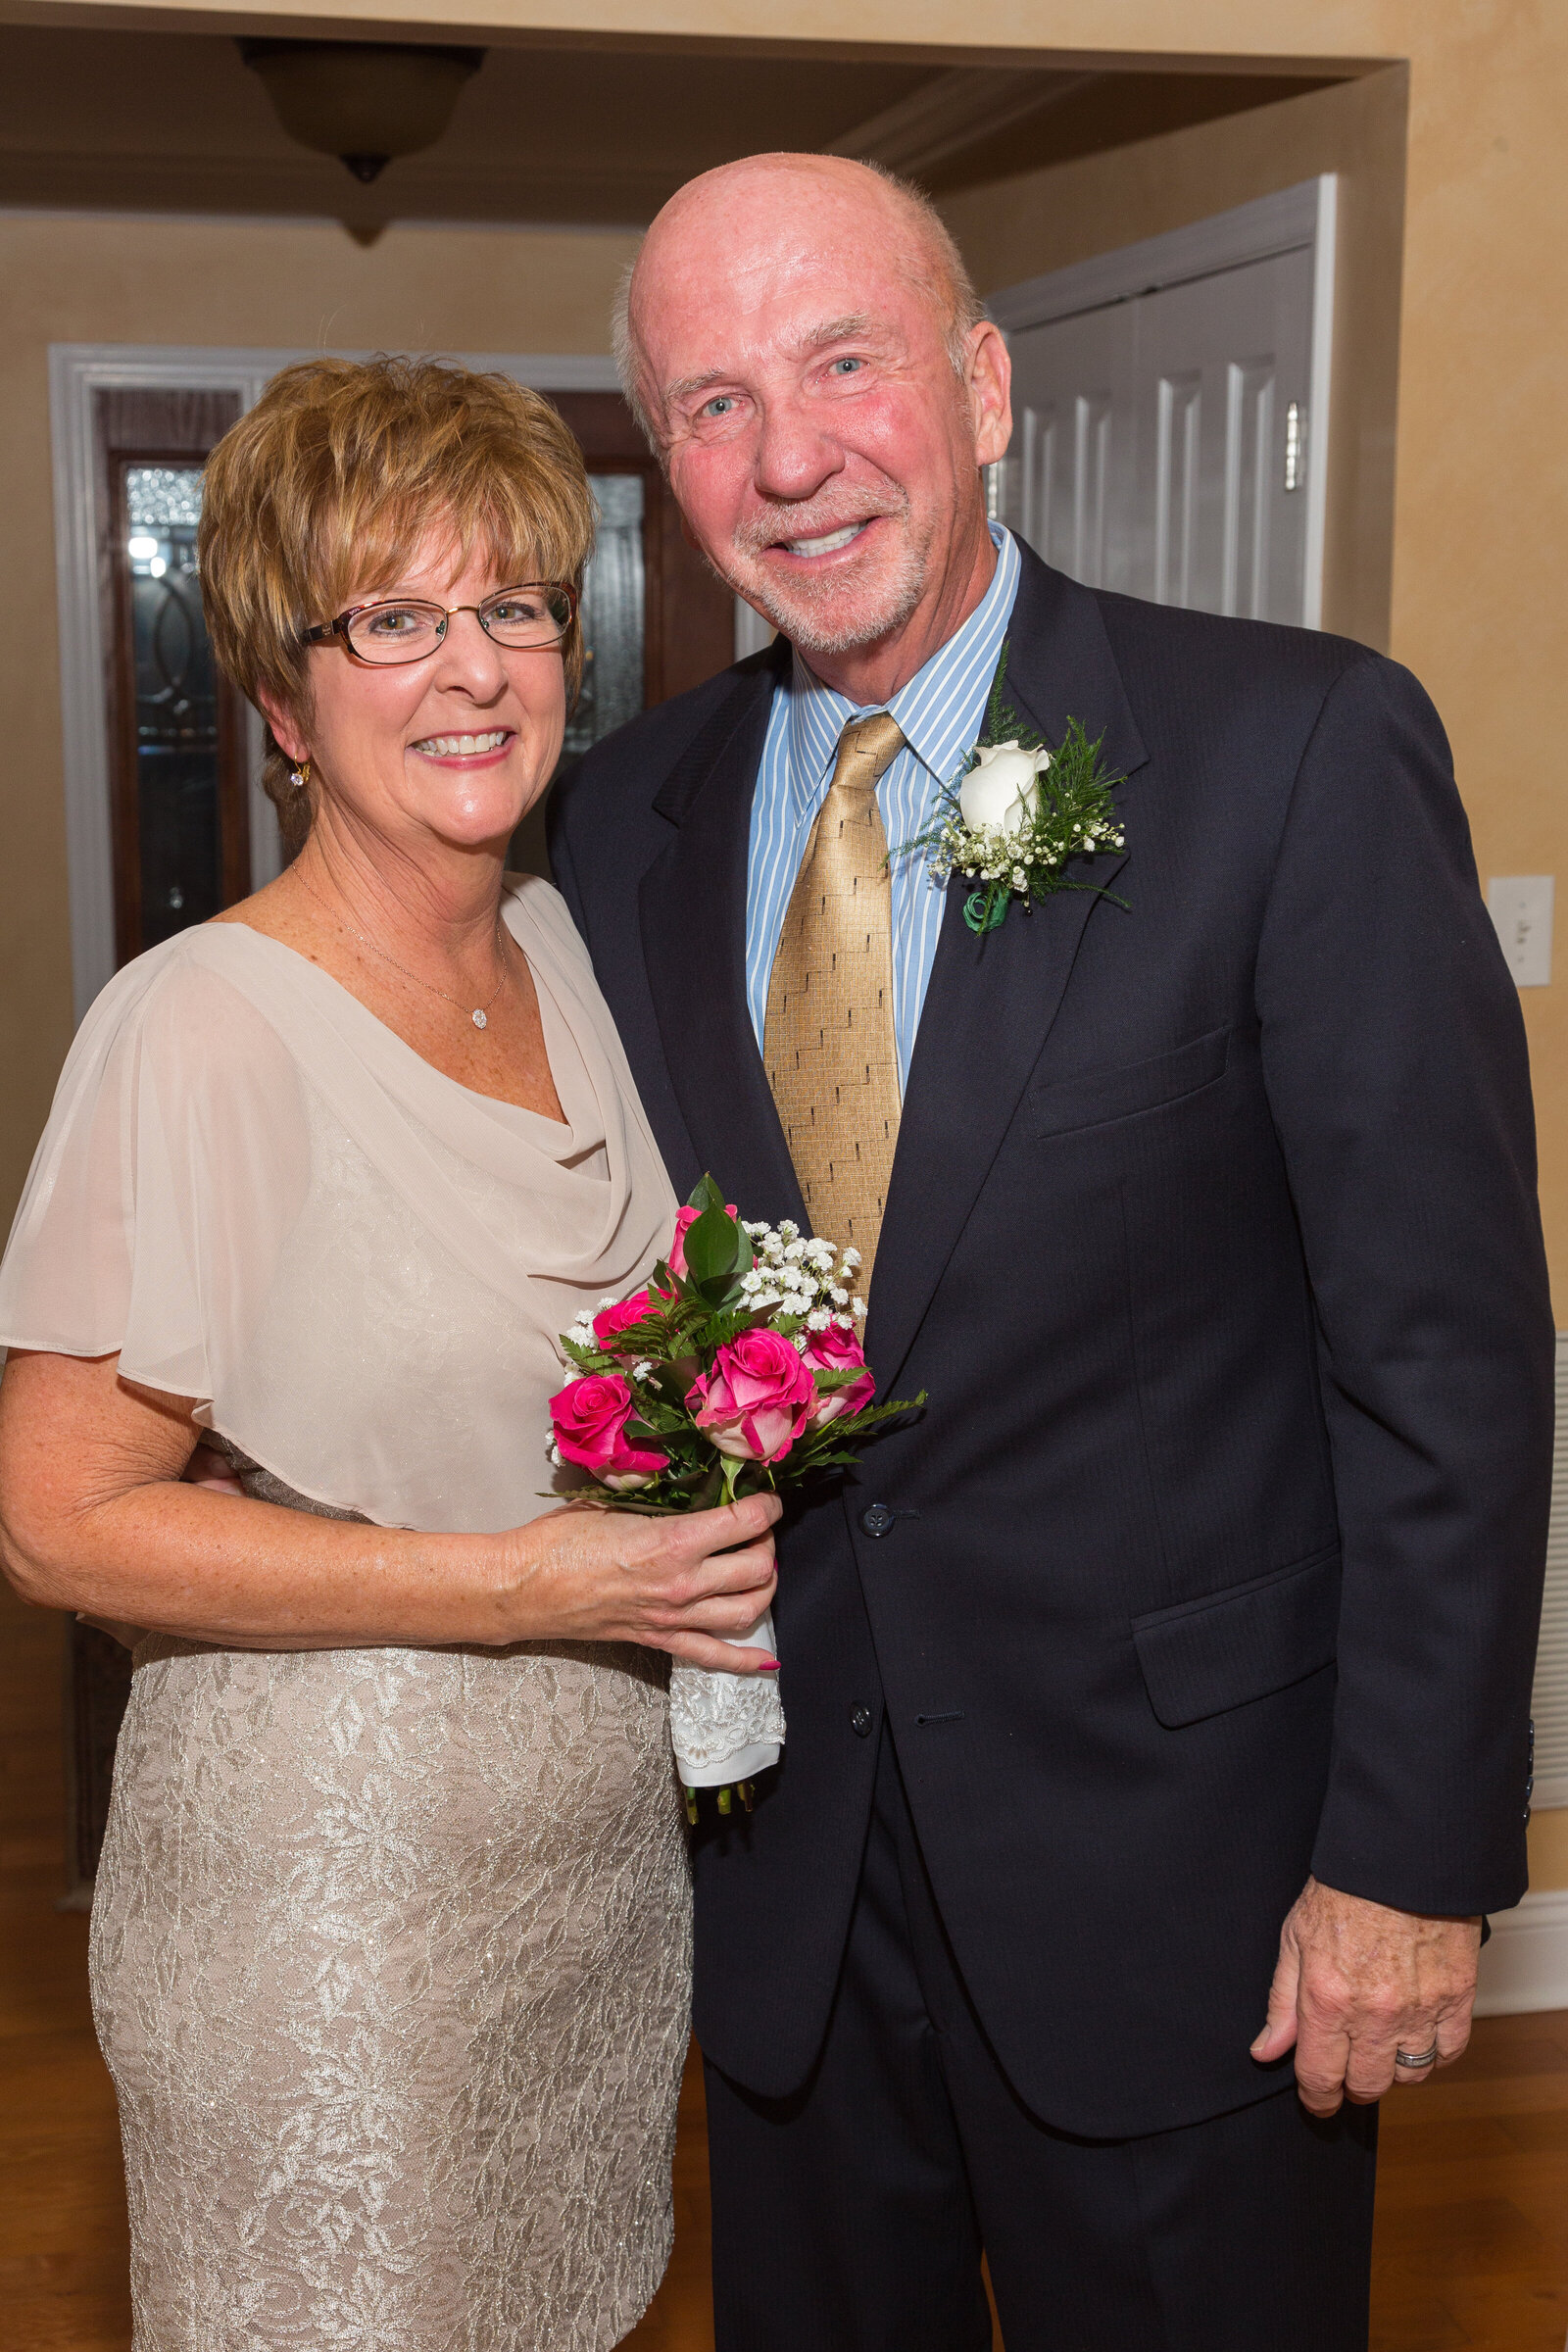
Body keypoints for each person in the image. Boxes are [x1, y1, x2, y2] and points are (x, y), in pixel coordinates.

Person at [548, 154, 1555, 2349]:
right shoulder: (621, 818)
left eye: (843, 364)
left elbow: (1446, 1360)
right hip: (782, 1887)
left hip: (1192, 1890)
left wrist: (1406, 1858)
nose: (790, 458)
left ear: (985, 385)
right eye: (711, 404)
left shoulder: (1286, 748)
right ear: (661, 463)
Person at [0, 354, 780, 2351]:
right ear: (282, 697)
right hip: (321, 1907)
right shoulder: (198, 1031)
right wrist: (523, 1582)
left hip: (593, 1881)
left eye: (514, 604)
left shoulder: (570, 951)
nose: (471, 669)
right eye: (393, 618)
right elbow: (60, 1529)